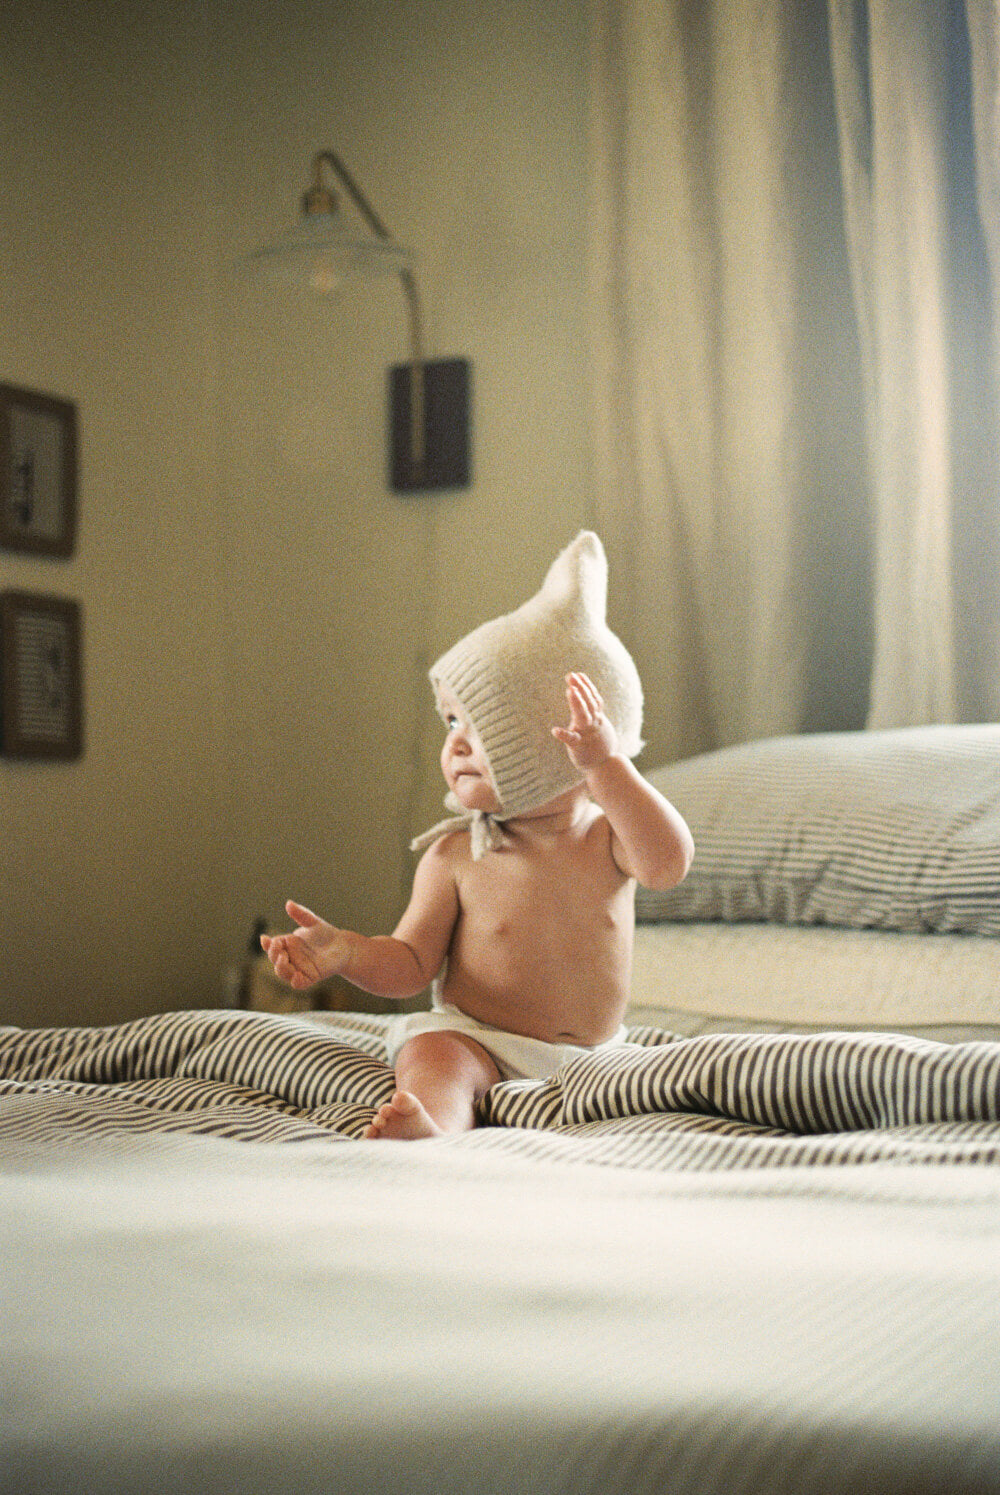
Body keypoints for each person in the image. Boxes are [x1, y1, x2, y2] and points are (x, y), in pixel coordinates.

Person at [261, 532, 693, 1140]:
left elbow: (668, 864)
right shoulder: (456, 855)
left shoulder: (607, 839)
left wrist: (607, 767)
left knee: (682, 1073)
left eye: (483, 725)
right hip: (481, 1042)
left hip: (596, 1059)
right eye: (451, 721)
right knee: (434, 1055)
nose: (457, 743)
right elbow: (412, 964)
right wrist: (347, 952)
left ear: (559, 743)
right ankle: (432, 1123)